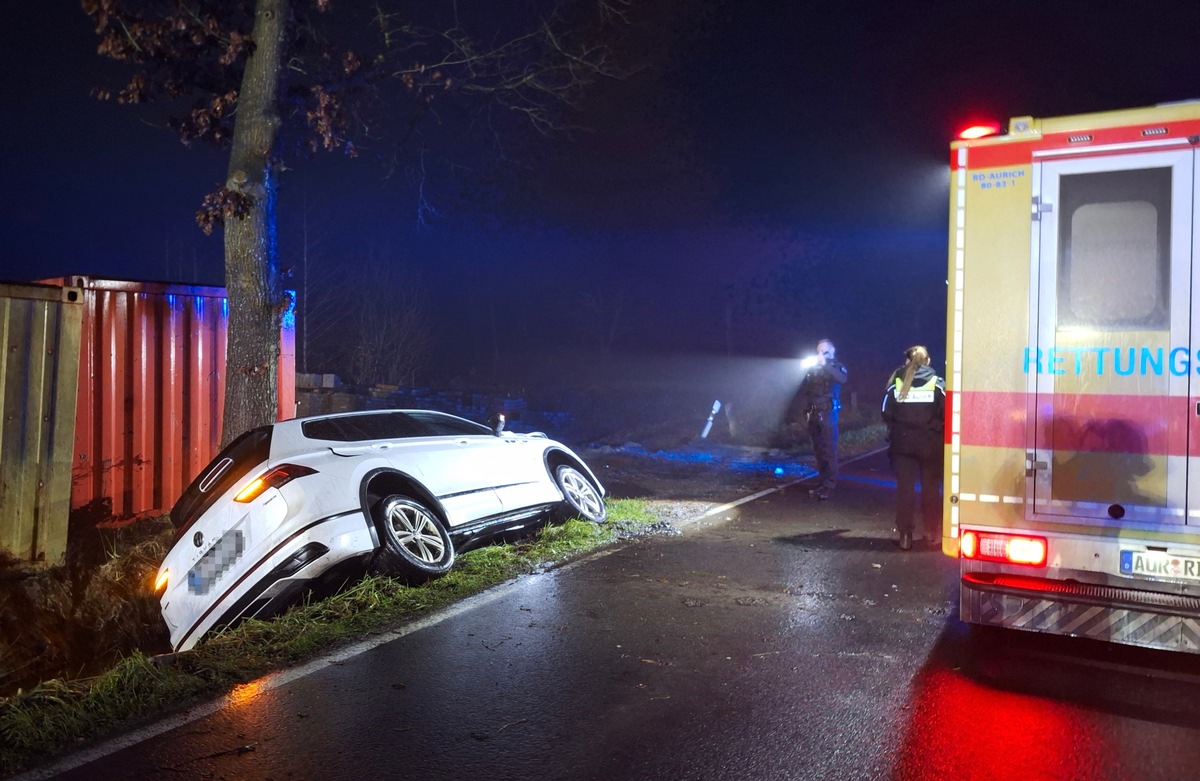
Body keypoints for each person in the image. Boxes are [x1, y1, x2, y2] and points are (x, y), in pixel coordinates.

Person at [881, 345, 945, 551]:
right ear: (928, 361)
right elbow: (946, 414)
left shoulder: (897, 383)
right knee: (931, 490)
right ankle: (930, 533)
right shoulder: (938, 384)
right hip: (930, 444)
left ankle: (905, 536)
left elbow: (886, 413)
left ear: (907, 361)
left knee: (905, 490)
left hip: (902, 444)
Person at [797, 338, 848, 500]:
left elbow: (842, 379)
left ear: (831, 352)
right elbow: (807, 390)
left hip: (828, 414)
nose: (820, 354)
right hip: (813, 413)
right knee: (819, 452)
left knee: (829, 451)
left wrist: (825, 363)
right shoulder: (815, 368)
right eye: (818, 351)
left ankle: (830, 485)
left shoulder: (836, 366)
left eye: (824, 351)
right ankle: (823, 482)